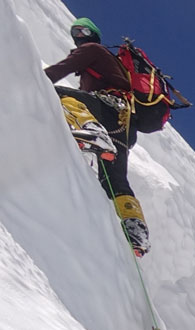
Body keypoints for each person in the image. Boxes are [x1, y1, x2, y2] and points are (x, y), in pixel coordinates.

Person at [44, 17, 148, 255]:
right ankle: (136, 229)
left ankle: (91, 130)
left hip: (108, 113)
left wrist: (31, 78)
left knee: (59, 94)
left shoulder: (92, 50)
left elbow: (60, 70)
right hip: (124, 126)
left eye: (82, 30)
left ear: (93, 35)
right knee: (113, 180)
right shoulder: (104, 64)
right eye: (74, 31)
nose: (78, 35)